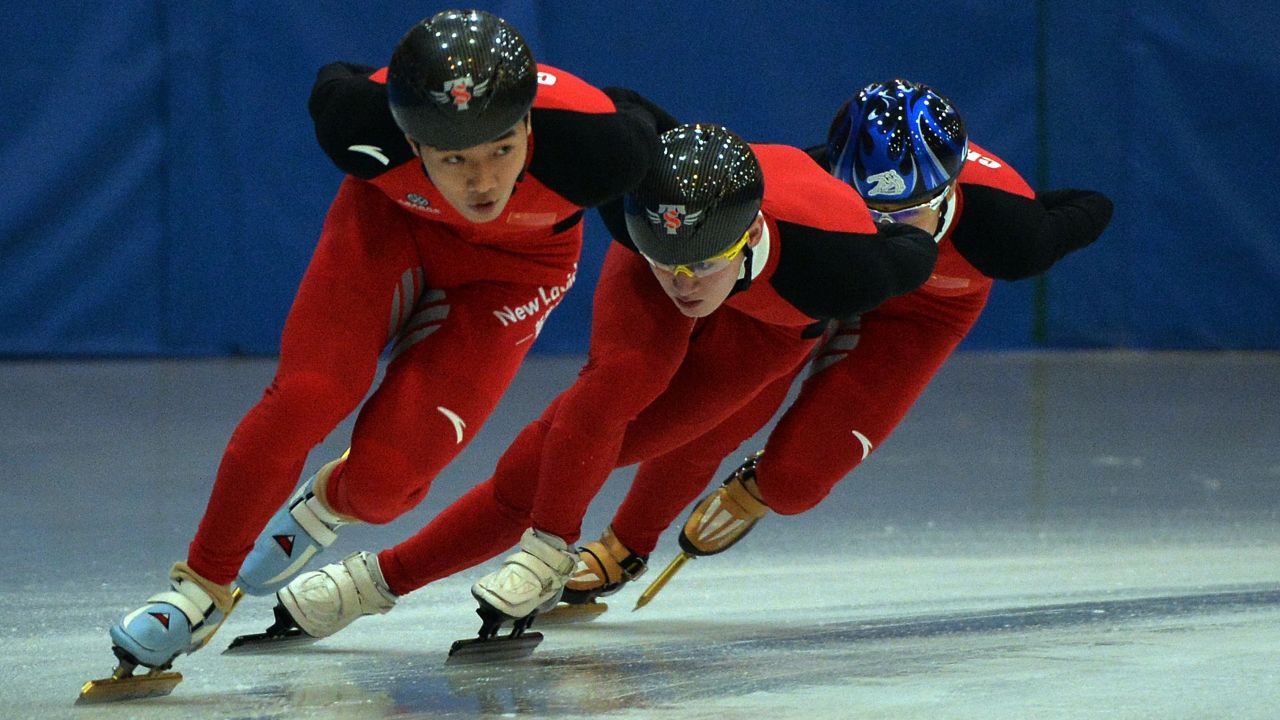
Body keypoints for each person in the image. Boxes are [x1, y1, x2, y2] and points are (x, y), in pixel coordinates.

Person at [104, 9, 662, 675]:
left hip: (514, 274)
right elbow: (334, 80)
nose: (482, 182)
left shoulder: (602, 146)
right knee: (309, 396)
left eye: (501, 151)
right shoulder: (356, 121)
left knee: (381, 488)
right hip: (389, 227)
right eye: (454, 158)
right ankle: (197, 591)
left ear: (530, 126)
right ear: (411, 140)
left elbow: (674, 156)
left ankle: (325, 506)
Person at [256, 121, 938, 645]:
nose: (683, 282)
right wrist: (552, 542)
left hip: (772, 327)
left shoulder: (846, 267)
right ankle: (482, 564)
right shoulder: (640, 223)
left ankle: (381, 579)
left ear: (746, 239)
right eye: (669, 257)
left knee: (595, 453)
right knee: (587, 416)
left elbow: (921, 245)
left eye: (702, 264)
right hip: (669, 252)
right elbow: (625, 115)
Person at [559, 78, 1116, 606]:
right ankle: (626, 543)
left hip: (923, 313)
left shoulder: (1011, 235)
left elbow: (1094, 205)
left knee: (795, 482)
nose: (887, 227)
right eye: (868, 210)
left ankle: (760, 486)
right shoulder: (811, 175)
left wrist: (1029, 206)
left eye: (907, 213)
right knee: (720, 415)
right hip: (833, 283)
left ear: (948, 191)